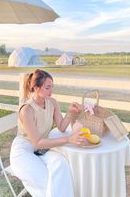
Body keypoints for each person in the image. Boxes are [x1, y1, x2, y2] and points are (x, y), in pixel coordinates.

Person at [10, 69, 87, 197]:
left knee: (61, 164)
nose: (51, 91)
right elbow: (38, 142)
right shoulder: (27, 110)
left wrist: (69, 113)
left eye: (52, 87)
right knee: (47, 181)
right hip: (24, 151)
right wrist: (69, 139)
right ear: (35, 87)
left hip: (42, 150)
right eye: (47, 87)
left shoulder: (52, 102)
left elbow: (62, 127)